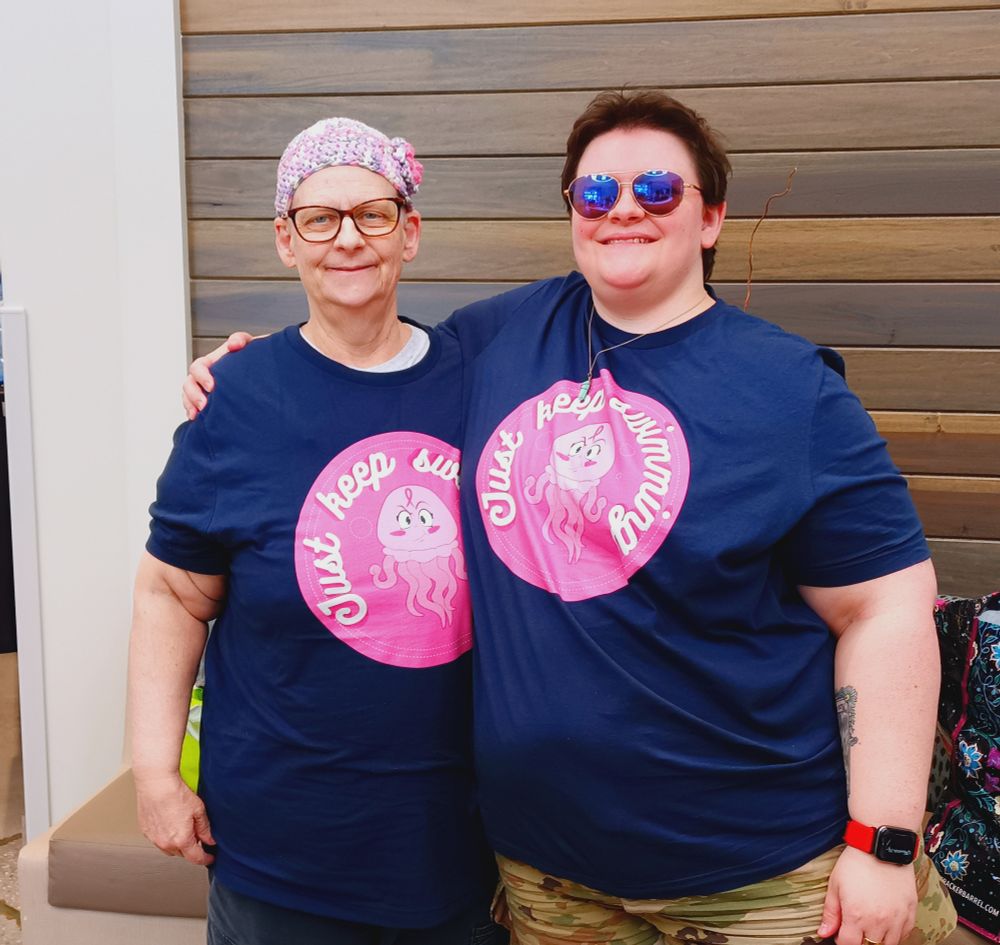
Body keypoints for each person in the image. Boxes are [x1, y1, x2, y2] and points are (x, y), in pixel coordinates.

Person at [185, 91, 956, 945]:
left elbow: (885, 609)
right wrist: (244, 377)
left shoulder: (790, 389)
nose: (623, 209)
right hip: (549, 880)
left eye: (656, 189)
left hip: (762, 872)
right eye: (595, 192)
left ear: (710, 217)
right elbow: (364, 361)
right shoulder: (496, 339)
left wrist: (883, 841)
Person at [129, 117, 503, 945]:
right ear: (285, 240)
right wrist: (154, 771)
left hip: (460, 840)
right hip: (283, 848)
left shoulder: (484, 381)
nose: (348, 238)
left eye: (373, 214)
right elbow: (173, 592)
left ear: (409, 232)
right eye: (320, 218)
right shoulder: (236, 397)